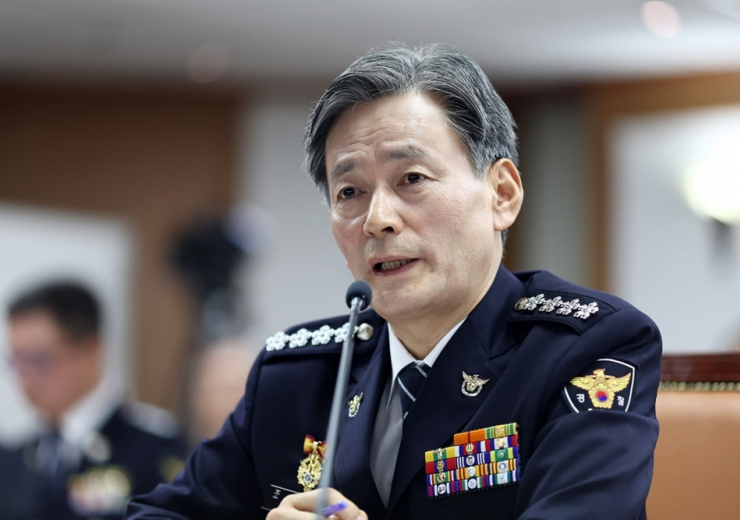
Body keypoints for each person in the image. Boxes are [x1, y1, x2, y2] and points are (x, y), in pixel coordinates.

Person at [126, 43, 662, 520]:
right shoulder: (297, 376)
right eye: (350, 193)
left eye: (412, 179)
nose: (377, 219)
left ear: (501, 194)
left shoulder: (585, 349)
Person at [0, 281, 187, 520]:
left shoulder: (152, 449)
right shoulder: (15, 458)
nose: (25, 378)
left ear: (91, 349)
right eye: (16, 361)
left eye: (38, 359)